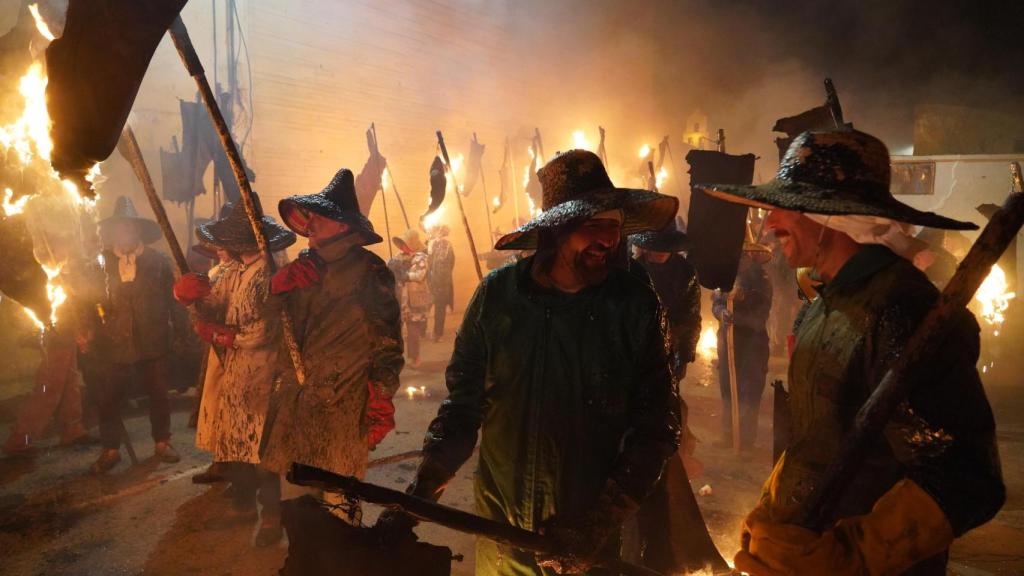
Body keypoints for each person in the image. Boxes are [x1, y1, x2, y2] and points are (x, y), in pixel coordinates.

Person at [702, 129, 1004, 575]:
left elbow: (965, 475)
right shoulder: (822, 306)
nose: (768, 224)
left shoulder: (901, 310)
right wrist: (772, 511)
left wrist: (851, 556)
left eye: (782, 208)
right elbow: (817, 439)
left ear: (831, 216)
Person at [376, 150, 682, 575]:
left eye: (614, 228)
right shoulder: (497, 299)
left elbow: (656, 430)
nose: (609, 241)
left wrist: (596, 526)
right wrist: (416, 496)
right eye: (594, 226)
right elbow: (462, 410)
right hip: (500, 531)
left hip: (583, 540)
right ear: (557, 230)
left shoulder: (633, 308)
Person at [260, 168, 403, 524]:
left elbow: (387, 345)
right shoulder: (301, 268)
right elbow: (272, 331)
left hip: (341, 407)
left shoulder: (371, 272)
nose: (311, 223)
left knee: (341, 513)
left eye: (321, 217)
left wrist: (381, 398)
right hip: (295, 407)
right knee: (297, 513)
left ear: (343, 226)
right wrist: (276, 290)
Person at [172, 196, 296, 546]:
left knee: (263, 452)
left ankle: (272, 516)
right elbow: (216, 303)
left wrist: (226, 336)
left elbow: (263, 332)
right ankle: (242, 505)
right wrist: (193, 297)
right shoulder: (236, 270)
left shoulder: (269, 275)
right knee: (237, 444)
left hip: (265, 374)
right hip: (236, 372)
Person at [91, 196, 179, 474]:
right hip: (114, 343)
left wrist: (181, 333)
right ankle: (111, 449)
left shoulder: (158, 262)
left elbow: (174, 299)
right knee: (108, 398)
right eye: (119, 229)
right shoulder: (100, 263)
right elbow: (89, 301)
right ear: (113, 232)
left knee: (158, 395)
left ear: (138, 231)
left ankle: (162, 443)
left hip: (153, 341)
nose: (124, 233)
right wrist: (88, 331)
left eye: (129, 228)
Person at [711, 228, 773, 452]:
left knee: (749, 392)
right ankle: (729, 435)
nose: (738, 260)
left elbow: (759, 319)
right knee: (728, 388)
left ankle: (745, 440)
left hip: (752, 346)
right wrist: (721, 313)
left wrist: (735, 317)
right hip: (727, 342)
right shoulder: (724, 278)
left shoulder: (762, 282)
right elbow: (716, 303)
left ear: (749, 256)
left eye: (741, 255)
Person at [630, 217, 701, 379]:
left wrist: (683, 353)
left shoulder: (686, 272)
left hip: (672, 349)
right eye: (657, 246)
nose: (662, 251)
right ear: (647, 247)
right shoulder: (633, 270)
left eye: (667, 246)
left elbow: (691, 315)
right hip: (638, 352)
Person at [392, 229, 431, 367]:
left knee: (413, 331)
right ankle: (395, 357)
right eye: (401, 244)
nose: (403, 247)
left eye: (405, 243)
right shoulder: (399, 256)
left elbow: (419, 274)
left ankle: (415, 358)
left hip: (415, 299)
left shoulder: (421, 257)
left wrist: (405, 275)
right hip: (400, 298)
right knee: (394, 329)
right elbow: (390, 267)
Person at [426, 224, 455, 341]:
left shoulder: (434, 244)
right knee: (438, 307)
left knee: (435, 307)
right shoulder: (445, 245)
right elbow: (452, 261)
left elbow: (429, 260)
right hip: (440, 281)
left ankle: (433, 333)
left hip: (436, 281)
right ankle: (436, 333)